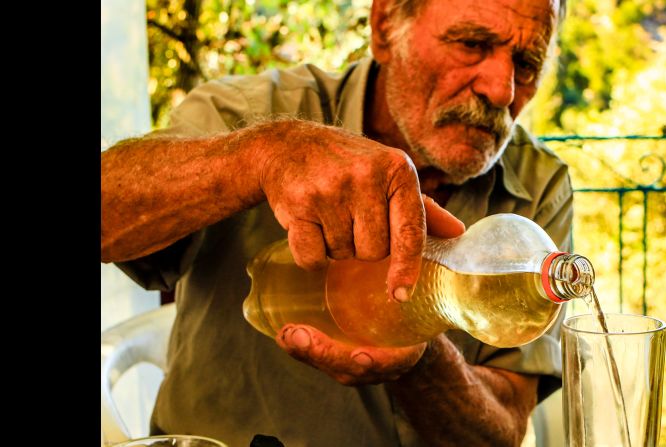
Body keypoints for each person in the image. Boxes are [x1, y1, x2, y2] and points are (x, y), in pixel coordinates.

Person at [101, 0, 573, 445]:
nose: (501, 89)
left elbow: (502, 430)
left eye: (527, 64)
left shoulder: (539, 183)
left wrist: (416, 346)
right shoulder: (240, 114)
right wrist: (260, 157)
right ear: (385, 25)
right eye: (472, 44)